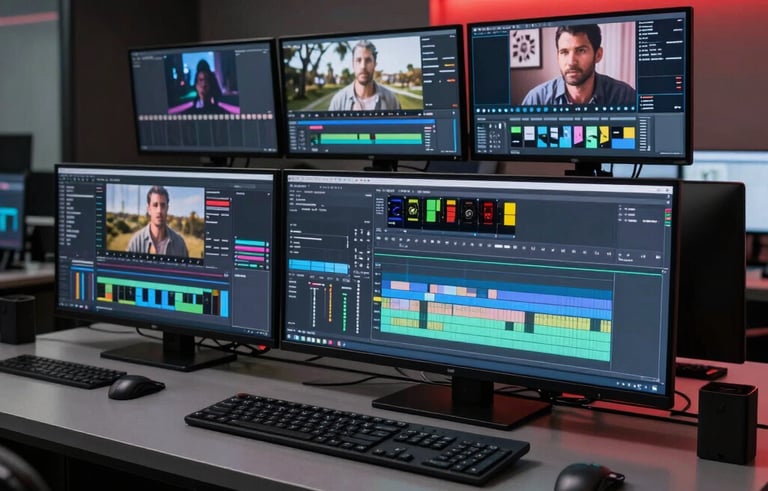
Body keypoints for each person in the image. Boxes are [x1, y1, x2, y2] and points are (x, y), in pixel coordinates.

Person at [521, 24, 636, 107]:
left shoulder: (624, 97)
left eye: (581, 50)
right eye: (564, 52)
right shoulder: (536, 99)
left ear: (598, 55)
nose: (571, 61)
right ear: (557, 56)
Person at [328, 40, 401, 111]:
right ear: (353, 65)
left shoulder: (391, 99)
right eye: (359, 60)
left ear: (375, 64)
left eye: (368, 60)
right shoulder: (338, 101)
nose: (363, 66)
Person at [127, 186, 189, 257]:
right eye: (155, 205)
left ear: (167, 209)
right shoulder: (136, 242)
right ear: (149, 209)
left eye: (163, 205)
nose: (159, 211)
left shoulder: (179, 243)